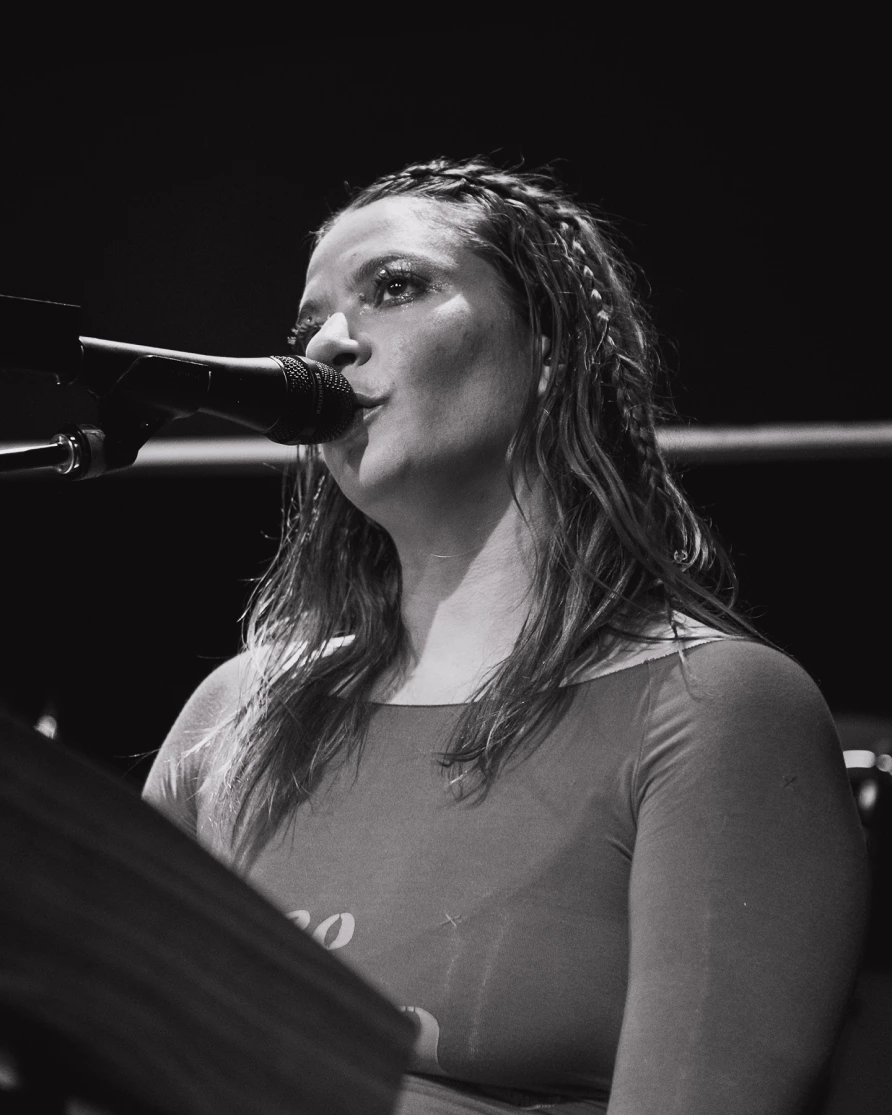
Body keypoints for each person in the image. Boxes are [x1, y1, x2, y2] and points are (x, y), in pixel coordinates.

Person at [143, 158, 869, 1114]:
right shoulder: (236, 709)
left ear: (547, 350)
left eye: (395, 288)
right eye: (305, 321)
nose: (325, 342)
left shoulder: (716, 708)